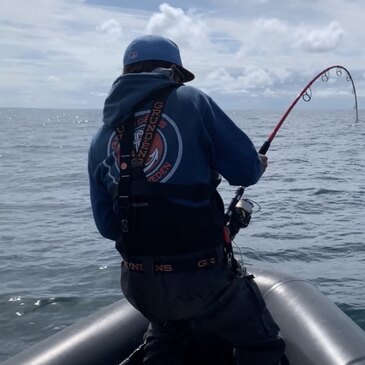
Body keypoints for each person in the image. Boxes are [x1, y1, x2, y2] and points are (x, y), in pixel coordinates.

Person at [88, 34, 287, 364]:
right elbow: (246, 172)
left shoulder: (101, 136)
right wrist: (257, 164)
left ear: (125, 74)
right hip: (202, 279)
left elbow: (108, 226)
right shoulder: (192, 100)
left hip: (139, 283)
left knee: (166, 337)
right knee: (261, 344)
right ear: (174, 73)